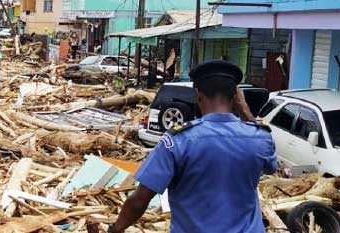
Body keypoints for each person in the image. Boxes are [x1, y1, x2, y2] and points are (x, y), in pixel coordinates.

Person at [109, 60, 277, 233]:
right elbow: (271, 167)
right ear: (236, 96)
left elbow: (140, 199)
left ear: (198, 95)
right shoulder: (260, 137)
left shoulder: (179, 141)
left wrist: (115, 229)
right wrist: (245, 111)